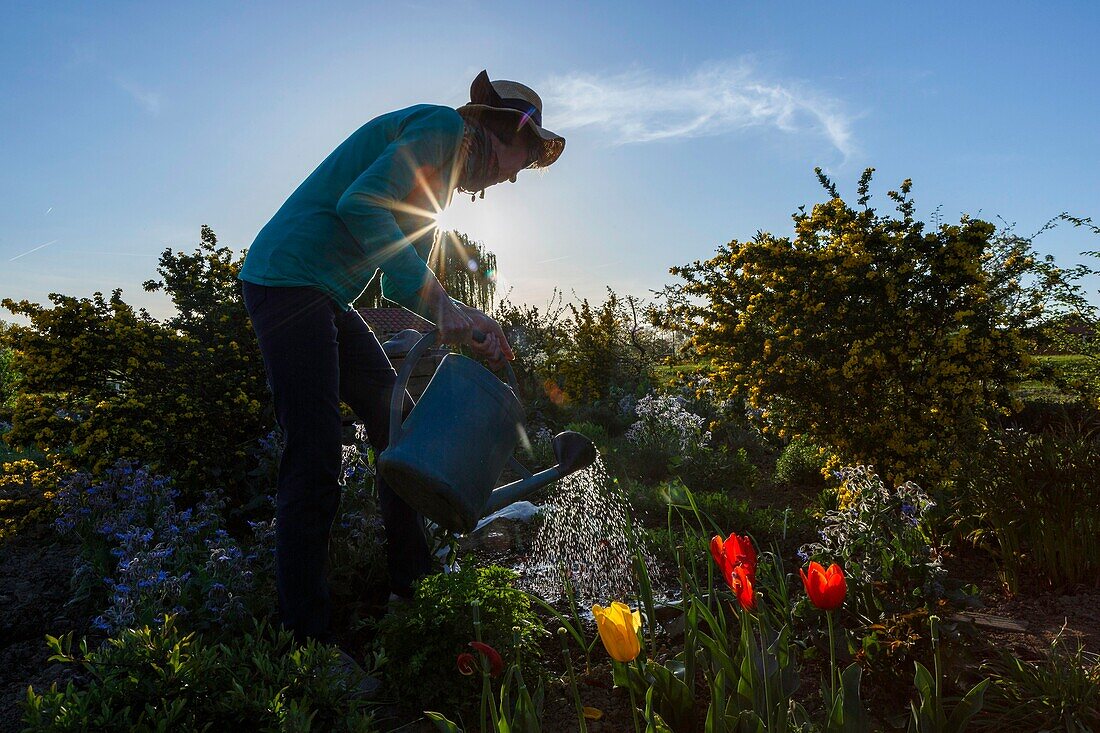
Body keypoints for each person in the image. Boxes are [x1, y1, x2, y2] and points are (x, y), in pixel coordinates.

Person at [238, 70, 564, 644]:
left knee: (400, 429)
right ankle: (305, 641)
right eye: (525, 158)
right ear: (504, 131)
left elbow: (400, 268)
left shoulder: (440, 170)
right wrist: (444, 307)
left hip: (327, 295)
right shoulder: (440, 128)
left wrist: (466, 315)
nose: (513, 178)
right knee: (314, 454)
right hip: (289, 281)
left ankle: (411, 588)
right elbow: (359, 203)